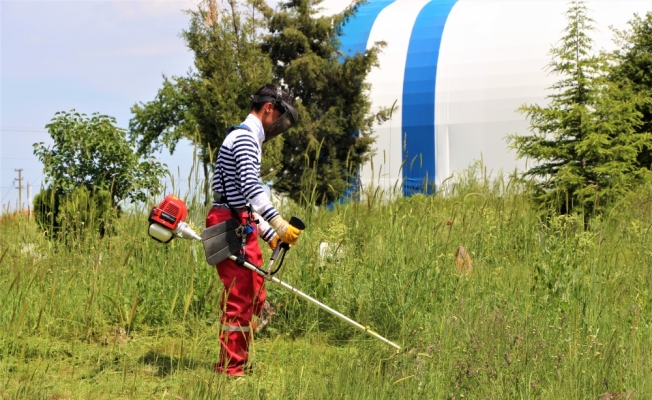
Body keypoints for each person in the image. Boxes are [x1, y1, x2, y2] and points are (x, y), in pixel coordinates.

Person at [206, 84, 301, 376]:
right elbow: (251, 187)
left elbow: (242, 199)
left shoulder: (246, 138)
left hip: (241, 222)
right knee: (241, 296)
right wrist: (279, 223)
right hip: (228, 225)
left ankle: (237, 357)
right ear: (269, 108)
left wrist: (268, 235)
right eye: (280, 121)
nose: (279, 128)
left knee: (256, 295)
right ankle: (231, 368)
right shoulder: (245, 138)